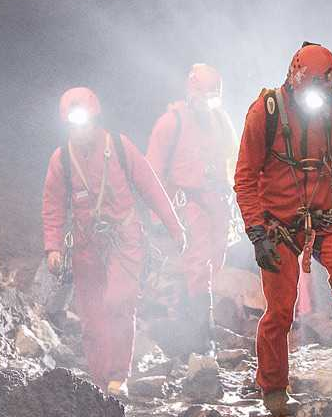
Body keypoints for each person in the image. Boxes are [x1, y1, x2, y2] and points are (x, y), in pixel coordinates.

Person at [234, 43, 332, 415]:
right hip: (279, 225)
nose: (317, 99)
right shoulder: (265, 111)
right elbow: (245, 177)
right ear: (294, 78)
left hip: (323, 217)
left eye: (324, 93)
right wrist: (256, 232)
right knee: (280, 309)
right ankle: (273, 388)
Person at [42, 85, 185, 395]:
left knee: (118, 302)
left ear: (95, 119)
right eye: (74, 126)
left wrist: (174, 226)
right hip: (86, 244)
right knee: (91, 318)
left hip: (124, 238)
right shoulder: (62, 160)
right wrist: (53, 246)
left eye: (84, 124)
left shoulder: (119, 147)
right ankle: (100, 383)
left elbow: (150, 186)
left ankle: (118, 376)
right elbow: (53, 204)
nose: (80, 131)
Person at [145, 63, 237, 343]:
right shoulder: (171, 123)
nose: (207, 103)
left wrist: (239, 199)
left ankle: (194, 326)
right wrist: (157, 216)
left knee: (216, 260)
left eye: (213, 98)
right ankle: (200, 334)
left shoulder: (220, 121)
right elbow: (152, 174)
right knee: (197, 264)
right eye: (204, 97)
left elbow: (234, 159)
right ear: (191, 92)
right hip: (187, 202)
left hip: (218, 201)